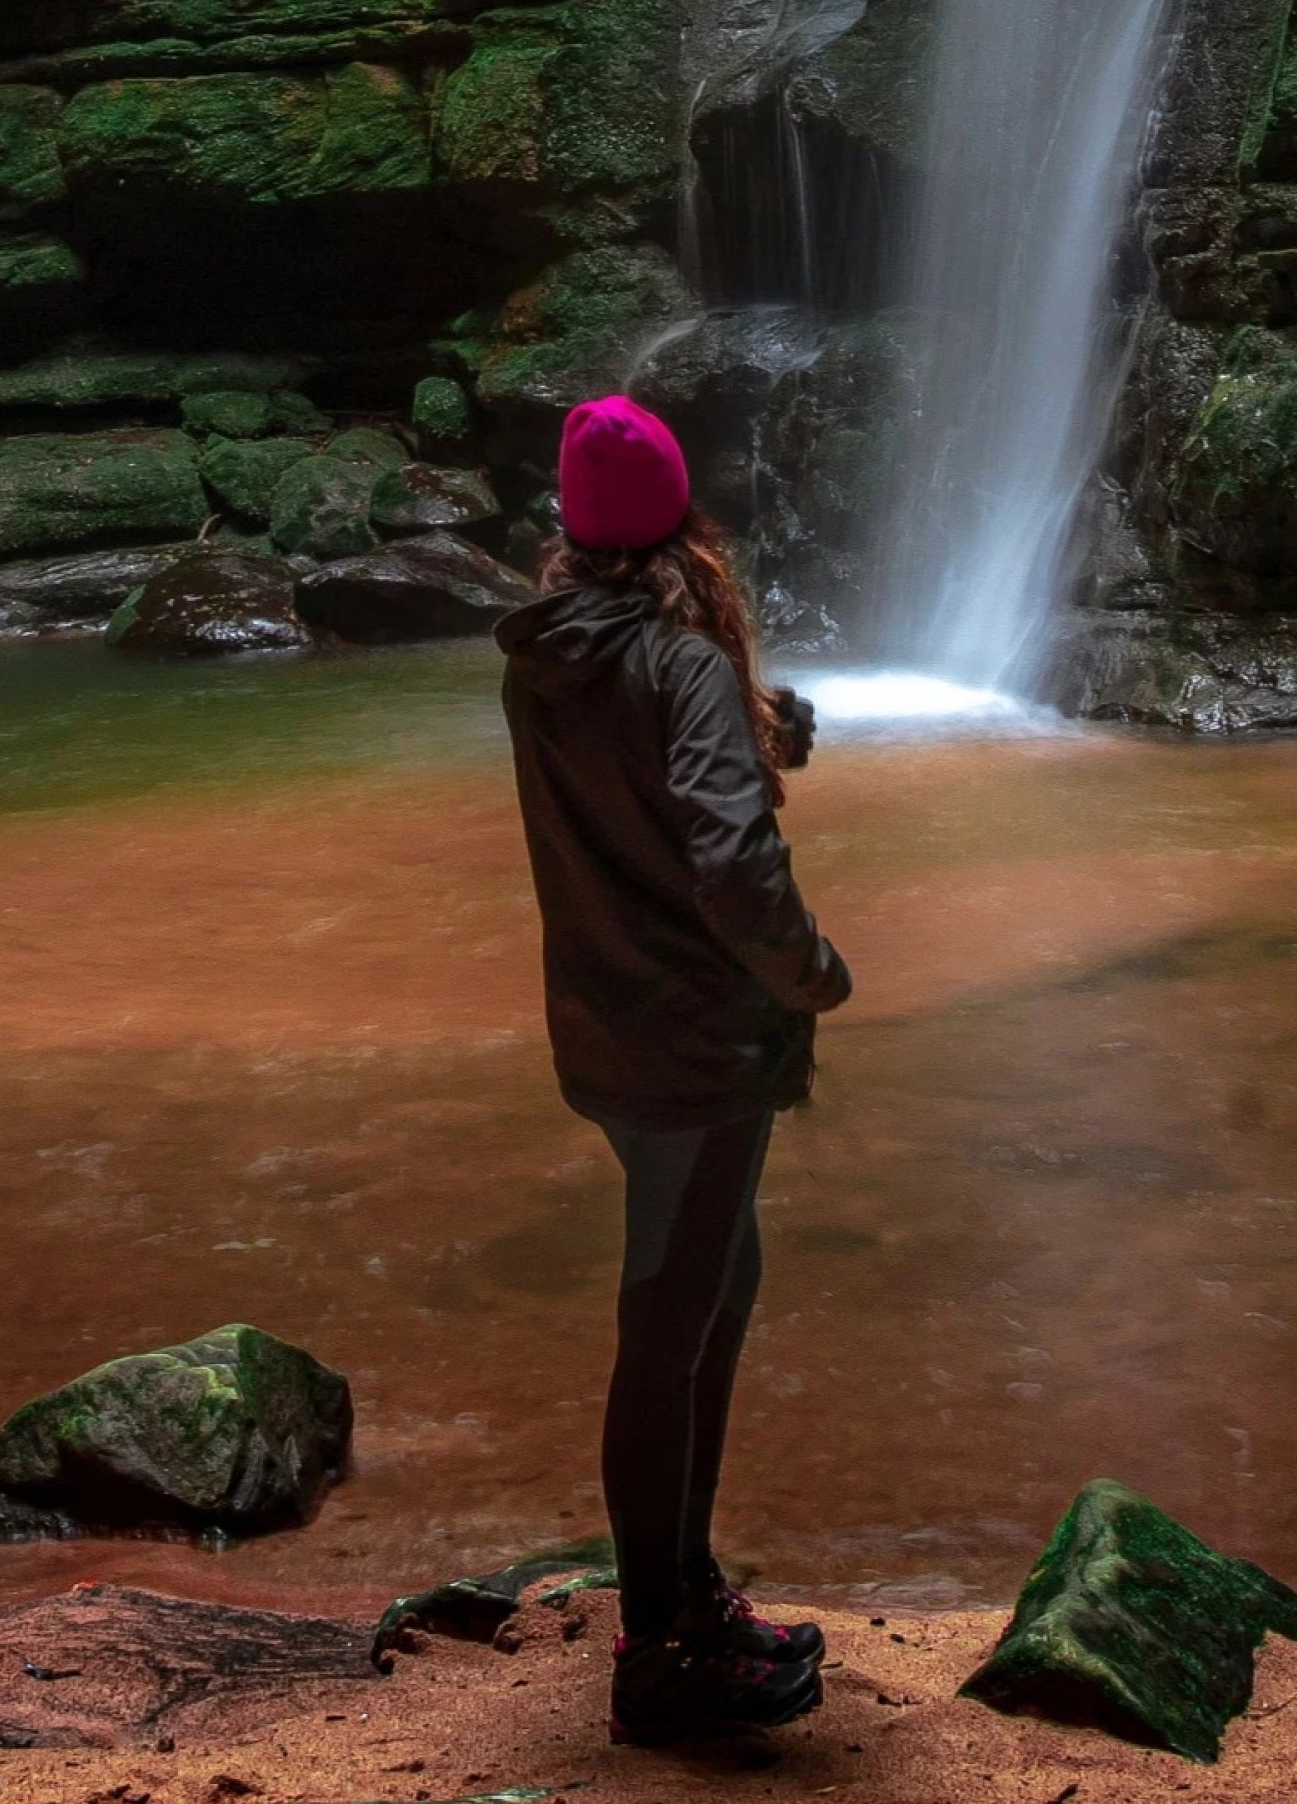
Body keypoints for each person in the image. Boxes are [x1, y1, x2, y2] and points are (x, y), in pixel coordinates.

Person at [496, 395, 854, 1745]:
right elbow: (723, 860)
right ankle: (659, 1648)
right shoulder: (676, 657)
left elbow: (638, 783)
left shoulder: (549, 650)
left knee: (713, 1281)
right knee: (668, 1318)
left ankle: (686, 1590)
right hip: (695, 1042)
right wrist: (809, 969)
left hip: (607, 1023)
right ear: (682, 517)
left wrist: (754, 724)